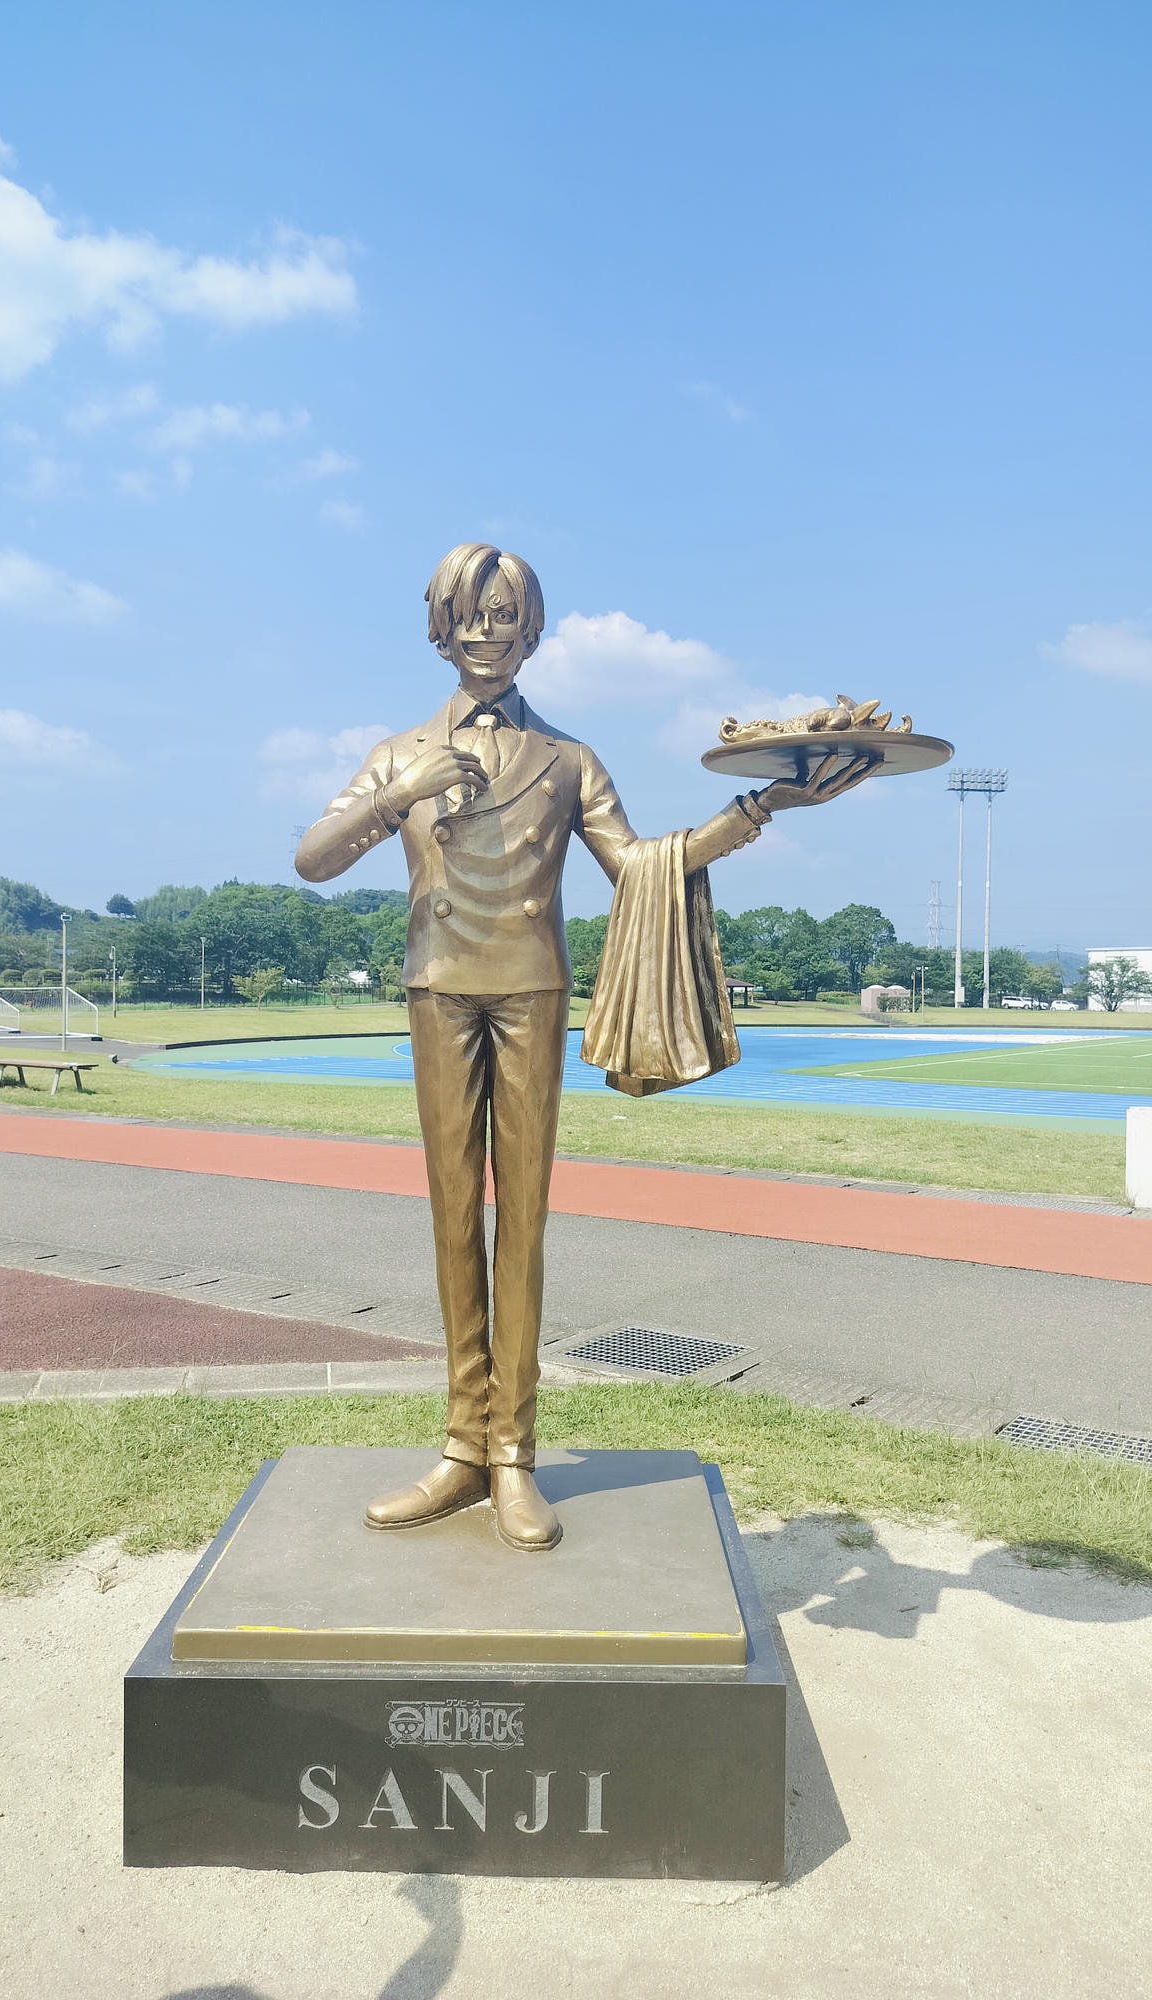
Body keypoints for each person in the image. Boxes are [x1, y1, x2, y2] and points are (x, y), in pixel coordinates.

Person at [295, 543, 850, 1551]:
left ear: (532, 628)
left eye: (506, 614)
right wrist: (394, 793)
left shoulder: (568, 759)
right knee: (454, 1218)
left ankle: (512, 1452)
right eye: (469, 613)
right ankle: (463, 1446)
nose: (487, 631)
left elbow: (641, 864)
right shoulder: (396, 752)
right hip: (436, 993)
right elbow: (312, 859)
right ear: (439, 624)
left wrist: (759, 806)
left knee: (527, 1224)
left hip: (533, 995)